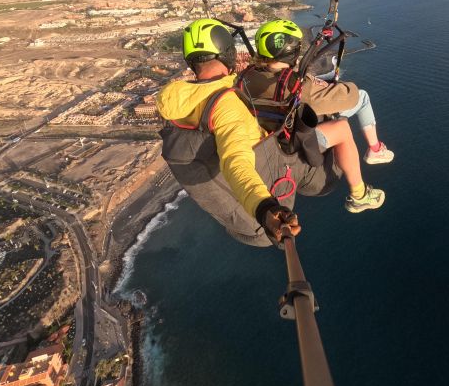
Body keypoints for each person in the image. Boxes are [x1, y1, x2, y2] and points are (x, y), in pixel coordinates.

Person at [156, 19, 385, 247]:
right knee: (341, 126)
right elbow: (235, 162)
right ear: (227, 54)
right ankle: (360, 195)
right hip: (276, 176)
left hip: (238, 206)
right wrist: (265, 208)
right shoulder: (227, 107)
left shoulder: (174, 103)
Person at [239, 19, 394, 168]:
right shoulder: (298, 87)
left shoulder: (246, 77)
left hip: (271, 132)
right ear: (290, 50)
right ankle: (375, 149)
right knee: (363, 97)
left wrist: (312, 81)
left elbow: (279, 78)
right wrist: (336, 86)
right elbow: (349, 97)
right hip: (298, 140)